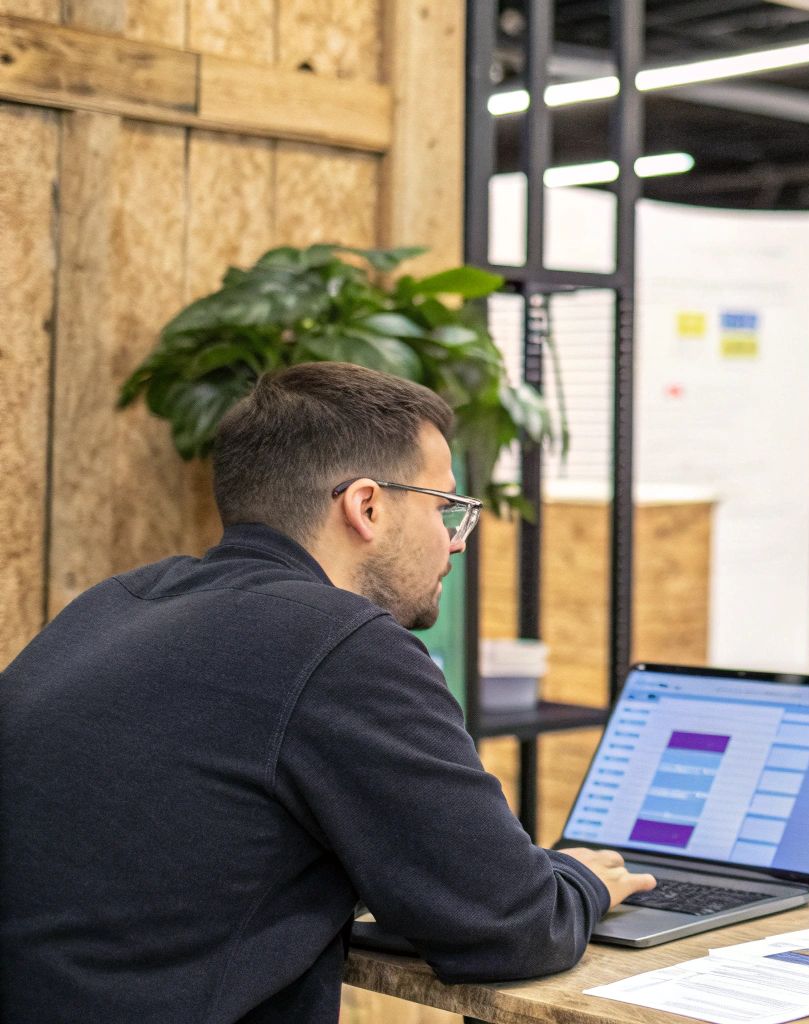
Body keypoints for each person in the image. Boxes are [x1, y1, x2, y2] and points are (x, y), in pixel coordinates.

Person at [0, 362, 655, 1023]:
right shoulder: (341, 645)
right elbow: (510, 924)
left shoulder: (116, 604)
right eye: (443, 508)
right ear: (366, 506)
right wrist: (583, 881)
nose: (454, 544)